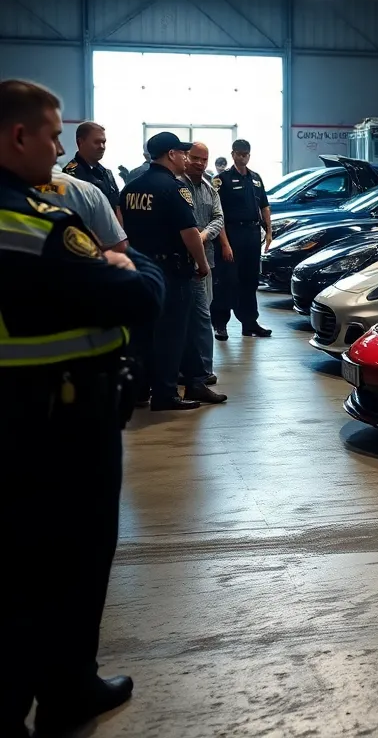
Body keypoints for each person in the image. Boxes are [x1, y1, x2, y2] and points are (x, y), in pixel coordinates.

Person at [0, 79, 163, 737]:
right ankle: (63, 691)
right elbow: (139, 297)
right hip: (57, 427)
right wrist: (129, 261)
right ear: (18, 137)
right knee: (66, 560)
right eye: (53, 132)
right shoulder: (33, 226)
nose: (60, 145)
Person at [122, 132, 217, 411]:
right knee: (173, 333)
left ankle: (140, 390)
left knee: (142, 331)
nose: (186, 158)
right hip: (171, 271)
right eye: (183, 153)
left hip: (139, 268)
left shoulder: (131, 189)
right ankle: (165, 394)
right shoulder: (173, 188)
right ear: (171, 155)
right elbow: (189, 233)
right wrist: (201, 265)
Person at [212, 139, 272, 338]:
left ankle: (249, 322)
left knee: (250, 280)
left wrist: (269, 231)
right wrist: (225, 243)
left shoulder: (255, 178)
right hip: (232, 234)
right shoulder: (222, 180)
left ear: (249, 155)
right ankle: (220, 323)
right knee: (228, 280)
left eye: (246, 154)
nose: (242, 157)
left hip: (252, 235)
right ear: (233, 155)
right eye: (239, 153)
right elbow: (217, 214)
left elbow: (264, 205)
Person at [179, 142, 225, 394]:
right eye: (195, 158)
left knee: (204, 315)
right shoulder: (176, 185)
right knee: (185, 318)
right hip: (180, 261)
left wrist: (205, 235)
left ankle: (204, 371)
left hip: (205, 261)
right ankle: (185, 370)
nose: (199, 163)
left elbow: (219, 217)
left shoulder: (210, 188)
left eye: (203, 159)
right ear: (185, 157)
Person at [33, 168, 128, 253]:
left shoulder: (105, 173)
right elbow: (117, 246)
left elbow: (116, 205)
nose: (101, 147)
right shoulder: (81, 186)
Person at [61, 121, 122, 224]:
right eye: (97, 142)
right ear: (80, 142)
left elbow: (117, 209)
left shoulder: (107, 174)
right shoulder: (71, 175)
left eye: (104, 142)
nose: (102, 146)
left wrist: (122, 237)